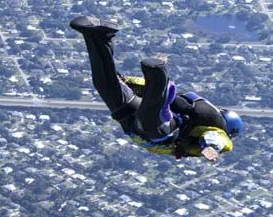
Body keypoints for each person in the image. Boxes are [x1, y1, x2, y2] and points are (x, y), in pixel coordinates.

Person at [70, 17, 242, 162]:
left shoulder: (201, 118)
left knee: (106, 84)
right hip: (159, 130)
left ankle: (98, 37)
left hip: (131, 121)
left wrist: (127, 81)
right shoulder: (218, 130)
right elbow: (219, 139)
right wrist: (211, 148)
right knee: (150, 114)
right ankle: (159, 77)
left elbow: (144, 90)